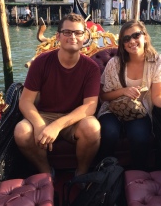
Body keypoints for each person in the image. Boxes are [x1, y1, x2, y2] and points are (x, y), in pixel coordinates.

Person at [14, 13, 101, 178]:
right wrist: (40, 126)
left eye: (78, 33)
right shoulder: (41, 62)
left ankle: (81, 173)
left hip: (74, 119)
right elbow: (25, 102)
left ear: (85, 37)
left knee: (92, 127)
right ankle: (46, 172)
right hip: (44, 114)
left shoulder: (91, 68)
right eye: (67, 32)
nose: (73, 37)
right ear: (58, 36)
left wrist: (57, 126)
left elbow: (90, 107)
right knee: (21, 131)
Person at [97, 20, 161, 170]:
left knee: (140, 137)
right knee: (109, 133)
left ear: (145, 36)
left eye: (136, 35)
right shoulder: (114, 63)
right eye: (126, 39)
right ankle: (105, 171)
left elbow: (157, 98)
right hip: (112, 109)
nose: (131, 41)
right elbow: (103, 96)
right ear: (123, 44)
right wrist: (123, 91)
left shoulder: (158, 62)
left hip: (140, 111)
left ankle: (139, 173)